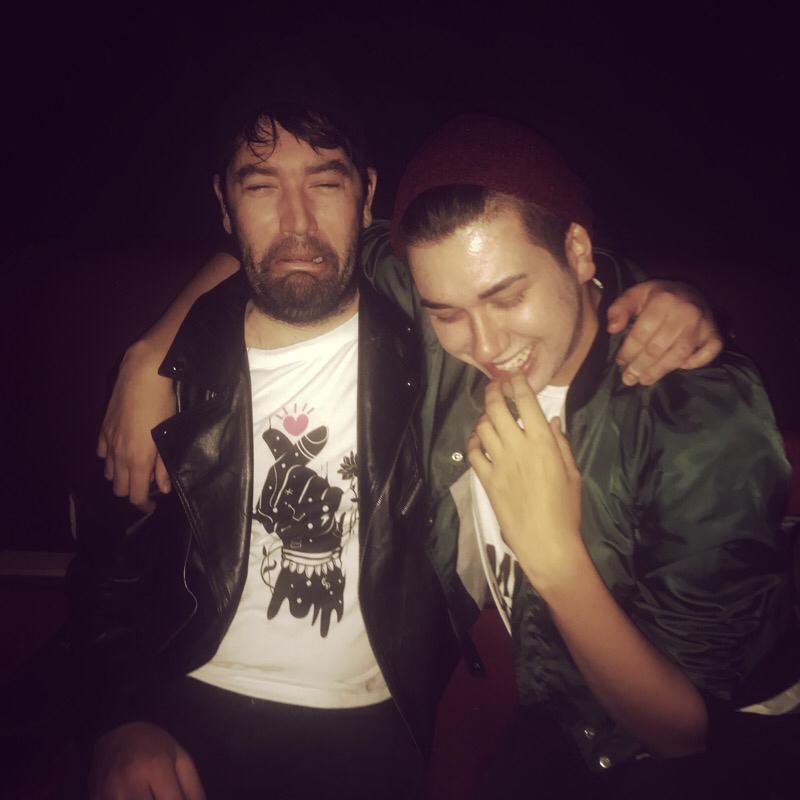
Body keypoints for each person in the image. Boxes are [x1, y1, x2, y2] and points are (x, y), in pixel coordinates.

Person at [86, 102, 722, 799]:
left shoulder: (433, 329)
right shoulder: (183, 365)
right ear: (225, 204)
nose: (296, 221)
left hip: (372, 724)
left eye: (325, 183)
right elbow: (109, 562)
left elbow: (529, 267)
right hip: (181, 701)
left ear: (366, 197)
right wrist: (120, 719)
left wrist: (658, 298)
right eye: (260, 186)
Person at [388, 114, 797, 798]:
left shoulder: (694, 411)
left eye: (507, 296)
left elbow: (683, 732)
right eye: (447, 313)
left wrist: (551, 553)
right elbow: (316, 243)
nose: (483, 345)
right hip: (547, 698)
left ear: (578, 252)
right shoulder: (450, 329)